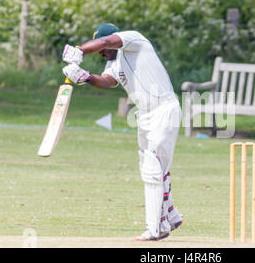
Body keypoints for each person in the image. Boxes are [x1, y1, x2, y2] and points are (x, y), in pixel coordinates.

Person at [61, 23, 183, 241]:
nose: (100, 52)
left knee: (153, 166)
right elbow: (107, 81)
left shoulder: (134, 40)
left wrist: (79, 50)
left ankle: (156, 228)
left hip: (164, 109)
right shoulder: (113, 63)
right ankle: (171, 215)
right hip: (145, 114)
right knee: (151, 166)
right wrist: (84, 76)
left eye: (101, 48)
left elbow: (107, 42)